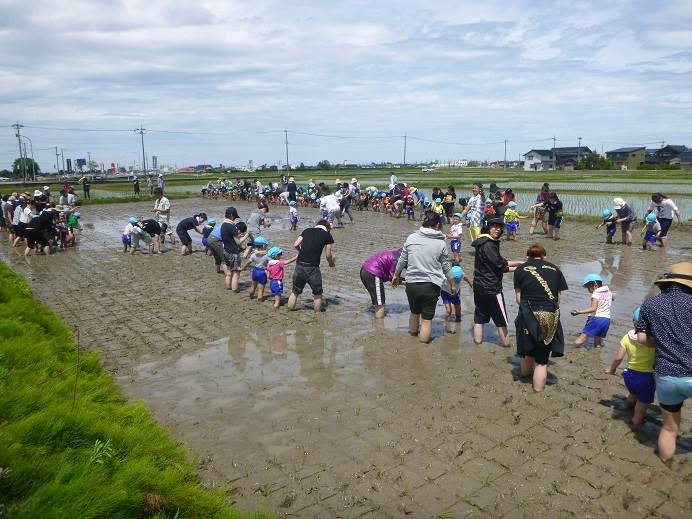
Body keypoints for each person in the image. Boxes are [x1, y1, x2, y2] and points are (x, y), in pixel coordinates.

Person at [636, 262, 692, 465]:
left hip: (667, 375)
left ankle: (664, 466)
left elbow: (642, 340)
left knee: (669, 429)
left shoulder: (650, 304)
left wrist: (663, 342)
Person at [393, 211, 456, 343]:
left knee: (414, 312)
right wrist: (452, 283)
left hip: (412, 284)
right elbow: (446, 267)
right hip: (431, 286)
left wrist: (396, 275)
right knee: (427, 320)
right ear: (438, 224)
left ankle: (412, 340)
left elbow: (402, 260)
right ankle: (422, 349)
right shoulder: (440, 243)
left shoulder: (411, 238)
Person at [514, 244, 568, 392]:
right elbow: (557, 299)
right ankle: (538, 394)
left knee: (528, 352)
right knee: (542, 362)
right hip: (549, 314)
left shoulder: (520, 269)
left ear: (528, 256)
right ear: (544, 256)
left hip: (528, 313)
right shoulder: (555, 269)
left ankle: (525, 377)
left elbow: (518, 299)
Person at [471, 218, 522, 347]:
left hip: (479, 286)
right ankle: (506, 345)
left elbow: (500, 261)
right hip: (492, 288)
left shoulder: (481, 242)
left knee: (479, 317)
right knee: (501, 320)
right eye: (494, 226)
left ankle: (478, 344)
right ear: (488, 228)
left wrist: (520, 263)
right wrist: (520, 269)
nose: (498, 229)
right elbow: (501, 266)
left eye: (499, 227)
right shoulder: (489, 244)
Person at [607, 307, 655, 425]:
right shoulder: (654, 342)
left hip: (629, 375)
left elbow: (618, 358)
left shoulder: (627, 337)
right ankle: (636, 421)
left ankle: (628, 406)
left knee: (633, 393)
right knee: (642, 402)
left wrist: (611, 370)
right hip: (647, 378)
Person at [287, 219, 336, 312]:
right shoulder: (327, 235)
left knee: (295, 291)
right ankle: (317, 316)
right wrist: (331, 264)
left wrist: (301, 252)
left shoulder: (307, 230)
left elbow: (296, 244)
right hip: (312, 267)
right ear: (328, 228)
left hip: (299, 264)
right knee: (317, 293)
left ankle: (290, 310)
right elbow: (328, 255)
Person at [572, 273, 612, 349]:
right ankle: (597, 354)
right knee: (598, 341)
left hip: (597, 319)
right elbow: (611, 299)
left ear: (595, 285)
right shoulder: (609, 292)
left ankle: (570, 350)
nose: (588, 290)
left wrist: (579, 312)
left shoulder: (596, 293)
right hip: (606, 320)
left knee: (582, 338)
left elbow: (593, 308)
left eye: (588, 287)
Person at [360, 249, 401, 319]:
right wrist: (405, 283)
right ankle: (379, 327)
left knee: (378, 301)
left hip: (364, 270)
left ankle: (378, 318)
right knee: (380, 304)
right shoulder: (398, 260)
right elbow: (393, 278)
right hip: (373, 273)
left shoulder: (396, 253)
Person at [219, 207, 249, 293]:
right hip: (233, 253)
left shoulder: (223, 225)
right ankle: (234, 290)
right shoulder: (232, 227)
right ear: (232, 216)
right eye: (235, 217)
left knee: (228, 273)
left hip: (226, 251)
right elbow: (238, 242)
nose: (235, 219)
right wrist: (246, 236)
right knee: (236, 273)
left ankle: (228, 288)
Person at [441, 265, 472, 333]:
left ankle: (458, 319)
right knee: (449, 310)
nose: (455, 283)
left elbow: (466, 278)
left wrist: (470, 284)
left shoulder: (461, 274)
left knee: (458, 306)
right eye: (454, 281)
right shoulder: (445, 277)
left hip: (456, 293)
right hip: (445, 292)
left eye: (457, 281)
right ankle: (448, 327)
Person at [242, 236, 269, 301]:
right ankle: (259, 299)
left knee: (253, 286)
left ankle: (251, 296)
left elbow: (248, 262)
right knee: (261, 289)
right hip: (263, 272)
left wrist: (243, 268)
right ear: (263, 245)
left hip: (255, 271)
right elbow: (271, 264)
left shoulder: (254, 254)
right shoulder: (267, 255)